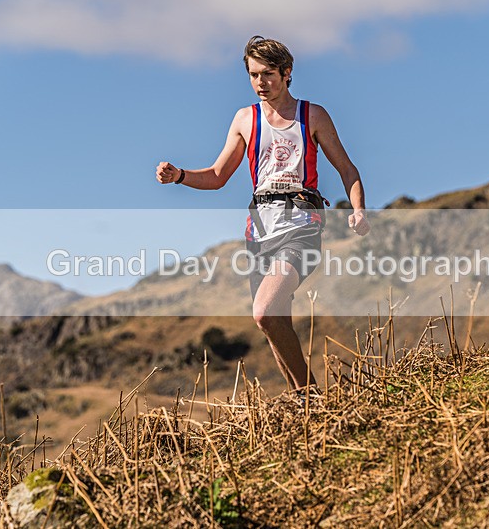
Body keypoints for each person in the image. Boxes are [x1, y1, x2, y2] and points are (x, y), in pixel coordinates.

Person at [156, 36, 370, 392]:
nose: (260, 83)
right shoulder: (245, 119)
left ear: (287, 74)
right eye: (254, 75)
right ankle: (307, 404)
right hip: (259, 231)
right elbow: (217, 176)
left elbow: (348, 169)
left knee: (264, 311)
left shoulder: (312, 115)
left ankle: (311, 398)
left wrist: (359, 210)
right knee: (272, 323)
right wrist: (179, 176)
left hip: (302, 224)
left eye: (268, 74)